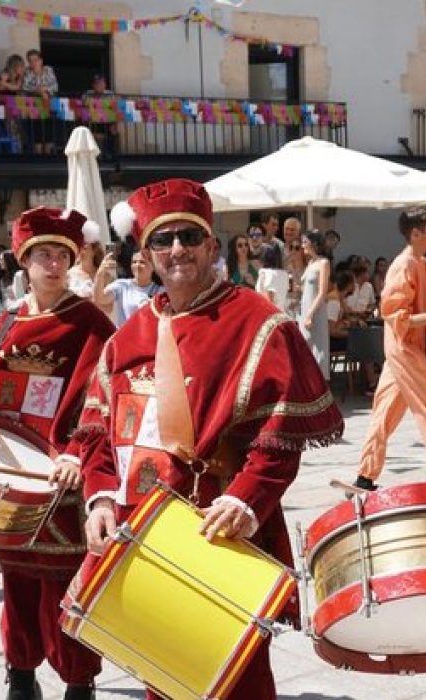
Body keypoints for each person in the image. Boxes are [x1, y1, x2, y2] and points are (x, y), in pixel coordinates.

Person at [72, 178, 343, 700]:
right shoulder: (127, 337)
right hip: (145, 534)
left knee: (238, 677)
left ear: (212, 246)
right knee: (163, 674)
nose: (176, 250)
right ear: (145, 252)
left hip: (220, 530)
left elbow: (279, 437)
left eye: (189, 238)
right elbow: (96, 433)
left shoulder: (258, 322)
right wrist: (101, 497)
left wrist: (247, 498)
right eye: (162, 239)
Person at [0, 207, 115, 700]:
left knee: (64, 585)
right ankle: (21, 675)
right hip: (9, 473)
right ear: (23, 262)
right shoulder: (5, 323)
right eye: (43, 255)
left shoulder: (91, 324)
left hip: (62, 477)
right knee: (18, 583)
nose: (53, 264)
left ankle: (78, 682)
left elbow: (104, 401)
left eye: (62, 255)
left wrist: (77, 453)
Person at [352, 207, 426, 490]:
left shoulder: (423, 264)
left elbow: (423, 304)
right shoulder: (404, 265)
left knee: (384, 412)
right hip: (405, 348)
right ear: (415, 234)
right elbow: (396, 317)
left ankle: (365, 477)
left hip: (404, 348)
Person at [94, 249, 161, 327]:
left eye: (142, 262)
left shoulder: (161, 290)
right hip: (125, 337)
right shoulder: (122, 285)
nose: (137, 265)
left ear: (153, 266)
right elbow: (101, 298)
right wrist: (100, 274)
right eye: (134, 262)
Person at [298, 231, 332, 379]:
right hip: (304, 310)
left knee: (319, 349)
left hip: (315, 311)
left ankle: (320, 386)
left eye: (305, 242)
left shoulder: (323, 263)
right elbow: (306, 289)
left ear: (314, 243)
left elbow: (322, 292)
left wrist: (310, 314)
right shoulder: (310, 263)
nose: (302, 245)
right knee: (305, 348)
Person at [255, 244, 290, 312]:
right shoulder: (285, 274)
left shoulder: (265, 273)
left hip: (268, 314)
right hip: (281, 313)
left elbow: (270, 297)